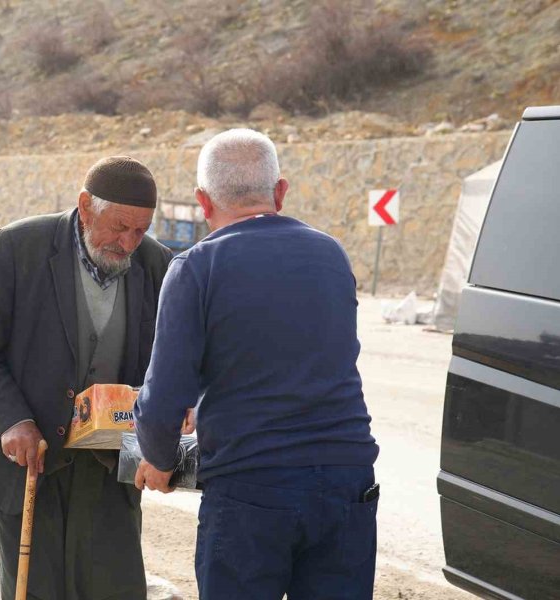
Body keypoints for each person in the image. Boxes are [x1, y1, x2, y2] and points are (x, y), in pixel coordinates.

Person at [133, 129, 380, 599]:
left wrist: (159, 459)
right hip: (347, 481)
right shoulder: (331, 254)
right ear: (280, 192)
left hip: (252, 489)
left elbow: (165, 394)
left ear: (203, 203)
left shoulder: (196, 267)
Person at [0, 156, 173, 600]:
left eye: (140, 229)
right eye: (119, 226)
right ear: (85, 206)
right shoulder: (18, 247)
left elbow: (163, 365)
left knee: (114, 589)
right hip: (29, 466)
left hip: (108, 471)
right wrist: (12, 420)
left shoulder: (157, 264)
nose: (129, 242)